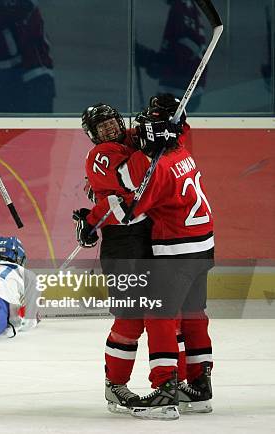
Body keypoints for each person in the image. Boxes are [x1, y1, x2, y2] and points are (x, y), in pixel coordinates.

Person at [76, 97, 214, 420]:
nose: (109, 127)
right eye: (100, 126)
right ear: (93, 135)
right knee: (131, 320)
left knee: (169, 315)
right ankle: (116, 383)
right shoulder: (100, 156)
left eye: (111, 120)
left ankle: (176, 384)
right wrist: (92, 219)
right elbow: (125, 195)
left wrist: (172, 122)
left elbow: (166, 135)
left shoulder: (134, 138)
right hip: (123, 247)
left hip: (152, 243)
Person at [135, 0, 208, 111]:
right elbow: (177, 53)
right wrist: (149, 58)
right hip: (182, 92)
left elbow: (187, 52)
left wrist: (158, 67)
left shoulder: (182, 8)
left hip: (179, 93)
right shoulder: (185, 6)